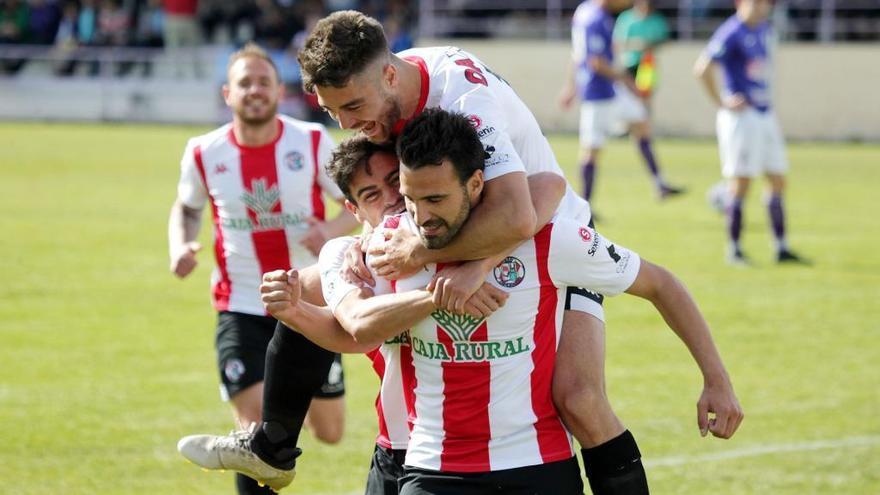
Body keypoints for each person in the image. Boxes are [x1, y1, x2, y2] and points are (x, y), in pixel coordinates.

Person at [180, 11, 742, 495]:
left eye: (352, 105)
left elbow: (532, 204)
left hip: (543, 233)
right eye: (333, 113)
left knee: (578, 400)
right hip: (452, 228)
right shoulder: (394, 95)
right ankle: (273, 446)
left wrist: (430, 259)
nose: (348, 124)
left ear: (390, 73)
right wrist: (357, 250)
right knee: (320, 301)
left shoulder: (464, 100)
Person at [262, 109, 742, 494]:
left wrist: (716, 380)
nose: (418, 216)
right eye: (409, 198)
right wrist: (433, 297)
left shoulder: (551, 242)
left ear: (475, 185)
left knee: (586, 402)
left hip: (536, 467)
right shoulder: (386, 249)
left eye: (435, 199)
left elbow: (660, 283)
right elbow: (359, 330)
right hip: (431, 470)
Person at [168, 42, 358, 495]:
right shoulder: (203, 151)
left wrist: (331, 227)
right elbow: (187, 206)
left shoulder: (310, 141)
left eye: (263, 82)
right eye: (244, 83)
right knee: (255, 431)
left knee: (329, 430)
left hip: (309, 302)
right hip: (240, 304)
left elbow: (356, 200)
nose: (254, 90)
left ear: (279, 91)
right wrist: (180, 245)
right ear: (227, 93)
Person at [693, 0, 807, 265]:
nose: (761, 7)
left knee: (777, 180)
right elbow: (702, 68)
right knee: (741, 183)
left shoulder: (765, 30)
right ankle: (734, 249)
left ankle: (781, 247)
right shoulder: (732, 31)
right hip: (742, 118)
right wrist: (721, 102)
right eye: (755, 2)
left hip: (765, 114)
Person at [559, 0, 683, 207]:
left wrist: (570, 85)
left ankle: (660, 184)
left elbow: (577, 53)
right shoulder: (596, 19)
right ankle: (583, 206)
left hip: (610, 89)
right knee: (591, 149)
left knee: (641, 123)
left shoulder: (585, 10)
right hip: (598, 91)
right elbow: (596, 63)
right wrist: (626, 80)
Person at [613, 0, 669, 105]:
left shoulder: (657, 20)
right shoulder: (625, 18)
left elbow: (664, 40)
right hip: (628, 63)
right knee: (626, 98)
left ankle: (645, 120)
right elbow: (617, 42)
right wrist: (636, 44)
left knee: (645, 99)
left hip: (647, 65)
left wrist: (650, 45)